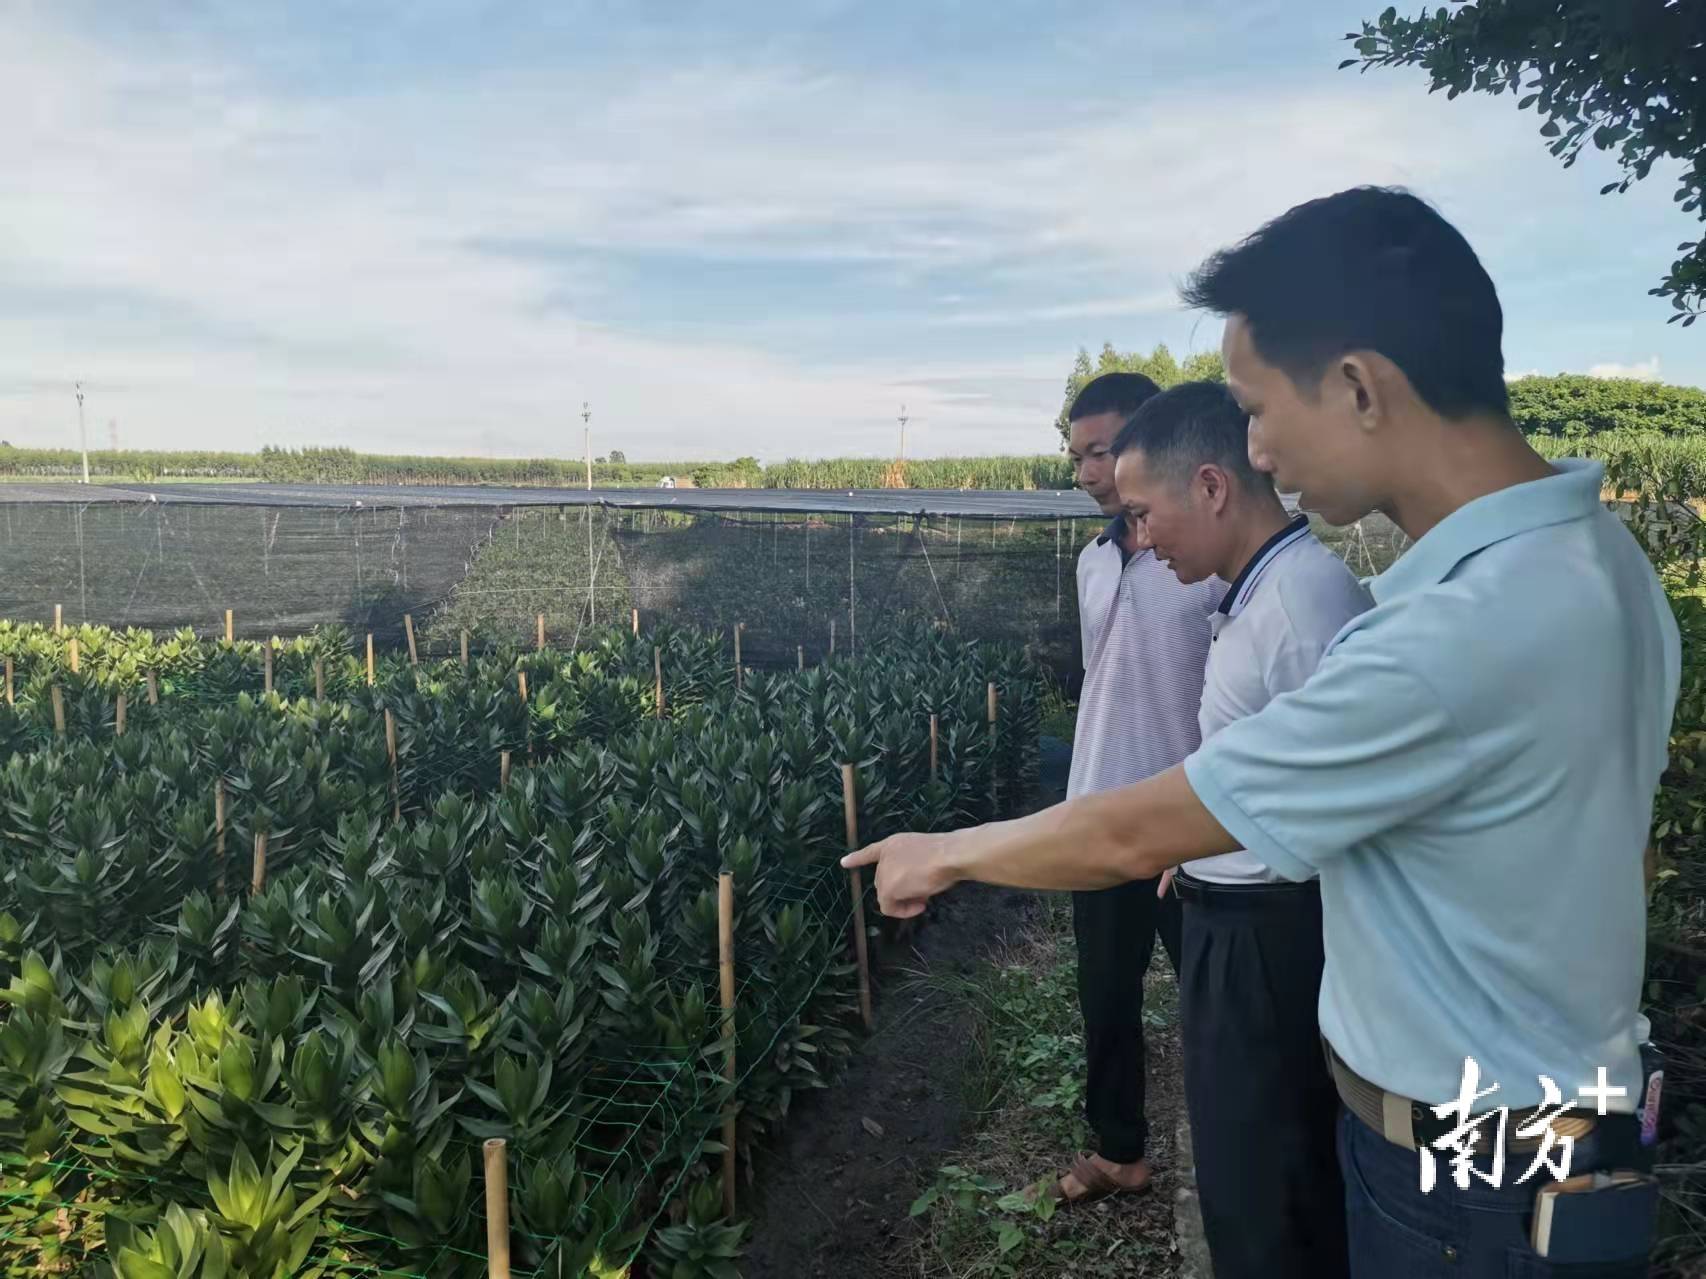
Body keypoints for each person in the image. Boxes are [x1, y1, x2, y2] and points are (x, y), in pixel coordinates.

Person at [845, 187, 1678, 1275]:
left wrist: (942, 851)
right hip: (1539, 1143)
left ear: (1355, 387)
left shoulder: (1454, 634)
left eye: (1255, 406)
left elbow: (1142, 829)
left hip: (1467, 1184)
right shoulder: (1597, 565)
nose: (1253, 447)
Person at [1113, 379, 1369, 1278]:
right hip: (1234, 924)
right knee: (1239, 1172)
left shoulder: (1304, 610)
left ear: (1213, 486)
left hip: (1274, 941)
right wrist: (1194, 849)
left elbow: (1336, 813)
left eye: (1146, 514)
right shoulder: (1259, 596)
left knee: (1273, 1187)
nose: (1141, 539)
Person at [1052, 371, 1219, 1204]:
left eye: (1101, 450)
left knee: (1220, 1001)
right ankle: (1120, 1148)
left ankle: (1243, 1153)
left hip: (1192, 827)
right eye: (1075, 452)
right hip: (1100, 817)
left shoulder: (1210, 559)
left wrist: (1206, 826)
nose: (1086, 470)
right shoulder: (1089, 562)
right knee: (1106, 996)